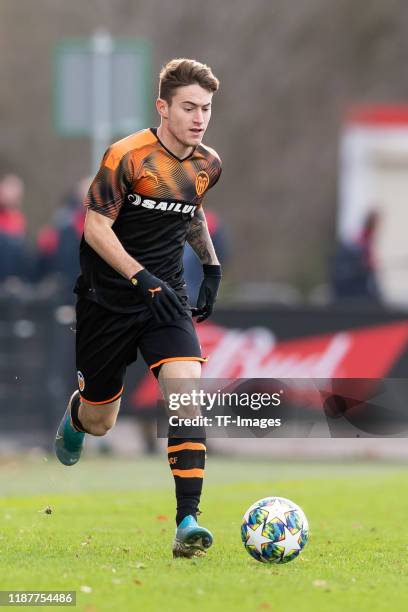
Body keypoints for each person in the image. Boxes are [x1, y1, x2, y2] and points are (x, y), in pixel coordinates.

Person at [55, 58, 223, 558]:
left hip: (165, 297)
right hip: (107, 301)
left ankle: (187, 521)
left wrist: (209, 265)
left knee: (185, 394)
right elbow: (95, 229)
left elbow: (189, 211)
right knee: (102, 419)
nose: (199, 118)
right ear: (163, 107)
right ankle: (77, 415)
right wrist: (138, 276)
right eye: (189, 107)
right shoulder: (127, 156)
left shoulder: (208, 163)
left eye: (206, 108)